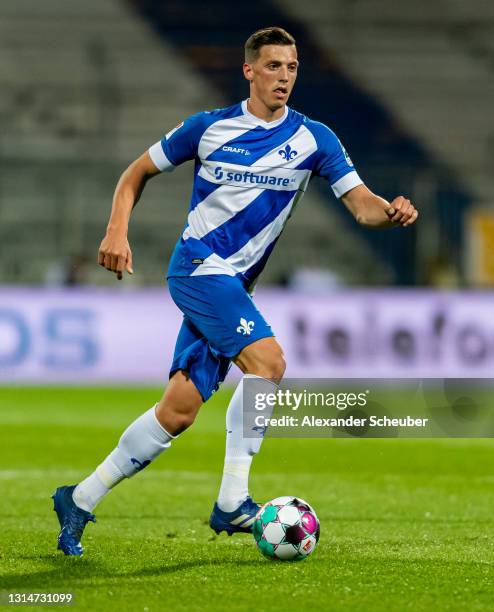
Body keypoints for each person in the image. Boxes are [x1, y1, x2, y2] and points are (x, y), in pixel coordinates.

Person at [52, 26, 418, 556]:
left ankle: (79, 498)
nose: (284, 77)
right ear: (249, 70)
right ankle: (232, 501)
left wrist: (392, 212)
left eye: (291, 68)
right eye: (273, 67)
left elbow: (362, 205)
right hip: (199, 267)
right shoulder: (207, 128)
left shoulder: (315, 139)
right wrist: (115, 230)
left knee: (177, 410)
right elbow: (136, 172)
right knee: (267, 363)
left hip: (234, 284)